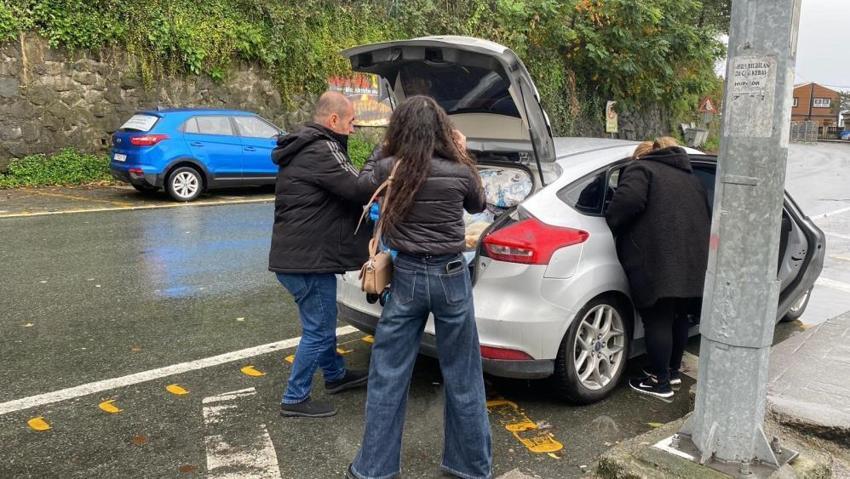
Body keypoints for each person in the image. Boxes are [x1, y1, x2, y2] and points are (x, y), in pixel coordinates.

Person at [348, 96, 492, 479]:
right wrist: (463, 154)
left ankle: (373, 469)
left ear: (400, 130)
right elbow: (480, 205)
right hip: (450, 276)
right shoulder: (460, 171)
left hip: (407, 275)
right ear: (443, 131)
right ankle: (472, 467)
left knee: (389, 373)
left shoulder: (387, 167)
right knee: (463, 373)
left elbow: (362, 186)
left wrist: (384, 148)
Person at [269, 91, 374, 418]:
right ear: (334, 121)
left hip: (300, 258)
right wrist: (377, 159)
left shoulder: (308, 145)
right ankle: (294, 397)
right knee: (319, 329)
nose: (353, 129)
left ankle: (336, 375)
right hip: (306, 262)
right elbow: (359, 189)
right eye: (351, 122)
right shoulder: (322, 148)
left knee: (320, 322)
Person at [604, 137, 710, 400]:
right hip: (693, 261)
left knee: (657, 319)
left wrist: (614, 223)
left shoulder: (642, 169)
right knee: (679, 317)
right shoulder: (690, 178)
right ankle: (672, 371)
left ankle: (659, 381)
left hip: (658, 260)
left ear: (641, 156)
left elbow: (627, 202)